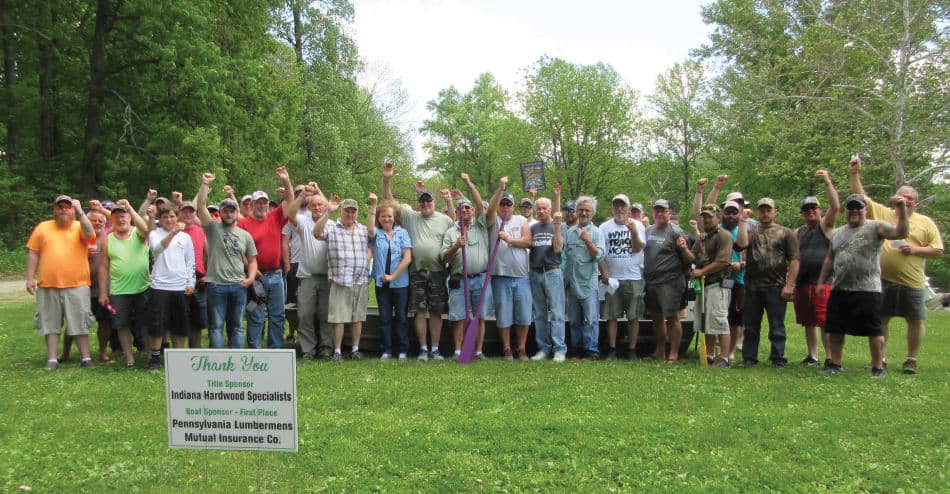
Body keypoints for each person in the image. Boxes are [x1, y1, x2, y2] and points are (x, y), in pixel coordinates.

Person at [849, 155, 944, 374]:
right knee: (881, 320)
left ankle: (911, 359)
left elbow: (937, 249)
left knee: (915, 319)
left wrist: (916, 250)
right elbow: (861, 197)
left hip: (913, 281)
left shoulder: (925, 222)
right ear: (895, 197)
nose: (905, 200)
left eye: (909, 198)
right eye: (902, 196)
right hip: (884, 280)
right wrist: (854, 173)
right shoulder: (885, 214)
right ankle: (880, 358)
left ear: (914, 202)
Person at [817, 193, 909, 378]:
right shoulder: (837, 233)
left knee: (874, 330)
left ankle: (878, 367)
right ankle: (835, 364)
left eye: (858, 207)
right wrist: (821, 282)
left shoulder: (876, 227)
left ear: (865, 209)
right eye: (850, 207)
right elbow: (829, 259)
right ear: (846, 210)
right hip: (840, 288)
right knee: (835, 329)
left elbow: (902, 232)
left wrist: (902, 209)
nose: (854, 211)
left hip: (868, 289)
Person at [382, 162, 455, 360]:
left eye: (428, 200)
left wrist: (449, 201)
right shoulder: (410, 216)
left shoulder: (444, 219)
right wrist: (387, 179)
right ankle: (423, 348)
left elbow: (455, 230)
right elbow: (389, 201)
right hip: (416, 272)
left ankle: (436, 349)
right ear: (418, 203)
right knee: (420, 311)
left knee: (437, 311)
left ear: (434, 201)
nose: (425, 204)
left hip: (438, 271)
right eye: (422, 201)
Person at [26, 195, 98, 370]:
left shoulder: (80, 226)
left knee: (81, 323)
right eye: (60, 207)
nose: (63, 209)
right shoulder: (43, 227)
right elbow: (33, 252)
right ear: (54, 210)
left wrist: (81, 212)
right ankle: (52, 359)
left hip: (78, 284)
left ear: (73, 210)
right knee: (50, 324)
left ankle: (86, 358)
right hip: (48, 285)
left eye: (67, 206)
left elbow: (91, 236)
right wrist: (29, 278)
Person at [197, 173, 258, 348]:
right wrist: (204, 184)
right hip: (216, 285)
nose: (229, 213)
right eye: (226, 210)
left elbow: (252, 260)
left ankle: (236, 362)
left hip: (238, 285)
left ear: (237, 212)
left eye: (232, 211)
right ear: (220, 213)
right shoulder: (212, 228)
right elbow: (201, 206)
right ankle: (218, 363)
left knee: (237, 327)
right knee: (216, 327)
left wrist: (251, 278)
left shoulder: (245, 235)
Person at [237, 167, 295, 349]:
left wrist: (286, 180)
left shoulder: (275, 217)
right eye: (258, 203)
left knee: (278, 315)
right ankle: (255, 349)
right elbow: (241, 251)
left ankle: (275, 350)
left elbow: (290, 201)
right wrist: (252, 270)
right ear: (251, 205)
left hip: (276, 275)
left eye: (264, 202)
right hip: (256, 277)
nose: (262, 206)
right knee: (256, 314)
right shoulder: (243, 223)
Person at [314, 195, 375, 362]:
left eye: (353, 211)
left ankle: (355, 349)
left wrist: (373, 206)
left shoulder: (363, 229)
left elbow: (372, 235)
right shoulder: (332, 227)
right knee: (338, 318)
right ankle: (338, 352)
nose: (350, 214)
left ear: (357, 213)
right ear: (341, 211)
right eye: (347, 210)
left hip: (360, 280)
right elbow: (316, 233)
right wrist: (328, 212)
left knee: (357, 318)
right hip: (340, 280)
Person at [742, 197, 799, 367]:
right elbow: (741, 245)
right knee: (750, 326)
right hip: (752, 286)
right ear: (757, 212)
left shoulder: (785, 233)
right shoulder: (750, 231)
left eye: (768, 210)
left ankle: (778, 357)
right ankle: (749, 358)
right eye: (762, 210)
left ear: (775, 212)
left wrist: (790, 285)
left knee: (776, 325)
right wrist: (742, 220)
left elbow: (795, 259)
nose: (765, 213)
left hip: (776, 286)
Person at [793, 170, 840, 366]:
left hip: (824, 282)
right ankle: (813, 355)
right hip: (803, 282)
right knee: (808, 321)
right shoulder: (798, 232)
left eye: (814, 208)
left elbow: (836, 206)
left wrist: (828, 181)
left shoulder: (826, 226)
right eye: (807, 208)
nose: (811, 210)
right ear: (802, 212)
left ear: (820, 210)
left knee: (824, 321)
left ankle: (830, 357)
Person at [441, 174, 490, 359]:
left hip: (480, 279)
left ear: (473, 210)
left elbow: (479, 203)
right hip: (459, 280)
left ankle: (478, 351)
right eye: (461, 208)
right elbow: (444, 256)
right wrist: (456, 246)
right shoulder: (451, 231)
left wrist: (469, 184)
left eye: (468, 207)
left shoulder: (480, 225)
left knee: (480, 316)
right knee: (458, 317)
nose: (465, 210)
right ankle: (459, 350)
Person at [98, 199, 151, 367]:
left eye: (124, 216)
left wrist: (130, 207)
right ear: (112, 219)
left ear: (130, 217)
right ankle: (129, 358)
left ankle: (149, 353)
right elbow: (104, 267)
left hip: (143, 287)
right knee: (122, 324)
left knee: (145, 323)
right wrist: (103, 292)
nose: (121, 219)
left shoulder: (138, 233)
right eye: (117, 217)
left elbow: (147, 229)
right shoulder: (108, 239)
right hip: (119, 290)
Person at [486, 177, 532, 361]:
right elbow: (490, 209)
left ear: (514, 207)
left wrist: (509, 240)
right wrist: (500, 188)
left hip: (521, 277)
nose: (505, 208)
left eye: (509, 205)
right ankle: (506, 349)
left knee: (523, 315)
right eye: (502, 204)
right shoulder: (493, 220)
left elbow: (528, 241)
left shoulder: (522, 220)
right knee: (503, 315)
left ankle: (521, 348)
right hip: (500, 276)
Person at [145, 206, 195, 369]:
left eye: (172, 216)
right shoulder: (154, 234)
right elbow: (157, 248)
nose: (169, 220)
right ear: (160, 219)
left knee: (179, 325)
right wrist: (172, 233)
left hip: (179, 286)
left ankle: (178, 359)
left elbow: (190, 262)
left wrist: (191, 282)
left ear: (177, 217)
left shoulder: (185, 237)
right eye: (165, 217)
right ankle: (155, 358)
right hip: (159, 286)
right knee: (158, 324)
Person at [287, 185, 334, 359]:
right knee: (305, 314)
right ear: (309, 206)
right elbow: (289, 213)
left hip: (327, 277)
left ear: (325, 207)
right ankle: (308, 349)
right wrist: (302, 196)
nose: (317, 208)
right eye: (313, 205)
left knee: (325, 314)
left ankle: (326, 347)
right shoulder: (303, 221)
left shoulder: (332, 224)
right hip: (307, 276)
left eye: (320, 205)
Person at [684, 204, 734, 367]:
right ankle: (710, 355)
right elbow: (693, 257)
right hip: (704, 286)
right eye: (704, 217)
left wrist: (702, 272)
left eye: (709, 216)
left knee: (720, 321)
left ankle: (724, 358)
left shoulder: (724, 236)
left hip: (719, 284)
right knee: (707, 322)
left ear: (718, 218)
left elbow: (723, 261)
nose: (706, 219)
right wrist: (684, 248)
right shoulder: (702, 238)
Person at [643, 199, 691, 362]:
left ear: (669, 213)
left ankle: (674, 352)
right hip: (652, 282)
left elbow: (687, 259)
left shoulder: (677, 232)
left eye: (663, 210)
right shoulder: (648, 230)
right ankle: (660, 350)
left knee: (672, 317)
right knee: (656, 318)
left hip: (670, 282)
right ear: (653, 212)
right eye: (657, 210)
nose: (660, 213)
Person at [599, 193, 645, 359]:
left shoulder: (638, 225)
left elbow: (639, 248)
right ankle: (612, 349)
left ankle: (632, 350)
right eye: (616, 205)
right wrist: (604, 272)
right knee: (612, 316)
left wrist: (632, 232)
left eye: (622, 205)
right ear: (612, 208)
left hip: (634, 277)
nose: (619, 209)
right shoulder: (604, 227)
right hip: (613, 279)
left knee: (633, 316)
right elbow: (600, 254)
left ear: (628, 208)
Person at [564, 196, 606, 360]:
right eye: (581, 209)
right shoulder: (570, 232)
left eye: (587, 210)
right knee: (574, 320)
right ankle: (576, 349)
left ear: (592, 213)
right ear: (576, 211)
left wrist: (589, 242)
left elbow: (599, 256)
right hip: (572, 283)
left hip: (588, 284)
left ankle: (591, 351)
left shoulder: (597, 233)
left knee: (590, 320)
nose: (583, 213)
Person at [370, 200, 413, 361]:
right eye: (383, 216)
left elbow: (407, 257)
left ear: (394, 217)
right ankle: (386, 350)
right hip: (382, 283)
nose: (386, 219)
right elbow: (369, 226)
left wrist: (393, 276)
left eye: (389, 216)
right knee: (385, 318)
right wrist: (373, 206)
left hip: (400, 283)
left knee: (401, 317)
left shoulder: (403, 233)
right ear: (379, 218)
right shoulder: (375, 234)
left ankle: (403, 350)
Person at [529, 185, 567, 362]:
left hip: (552, 272)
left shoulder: (558, 225)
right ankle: (544, 348)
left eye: (544, 208)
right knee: (540, 313)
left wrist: (557, 226)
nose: (541, 211)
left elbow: (558, 248)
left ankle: (560, 349)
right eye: (539, 208)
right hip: (536, 273)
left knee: (557, 312)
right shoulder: (533, 227)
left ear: (550, 210)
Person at [178, 200, 208, 348]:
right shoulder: (174, 231)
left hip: (198, 280)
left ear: (195, 214)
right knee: (179, 318)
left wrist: (208, 275)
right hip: (177, 282)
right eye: (184, 211)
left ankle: (195, 351)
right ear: (179, 213)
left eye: (191, 211)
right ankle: (179, 353)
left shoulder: (201, 231)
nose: (187, 214)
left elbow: (207, 254)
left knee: (197, 320)